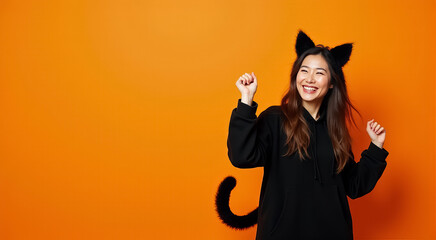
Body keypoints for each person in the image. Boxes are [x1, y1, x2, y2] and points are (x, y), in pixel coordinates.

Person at [217, 30, 389, 240]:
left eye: (319, 73)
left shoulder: (336, 131)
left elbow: (353, 186)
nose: (309, 79)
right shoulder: (275, 118)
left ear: (332, 82)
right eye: (304, 70)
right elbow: (241, 157)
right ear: (296, 76)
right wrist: (246, 102)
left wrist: (376, 148)